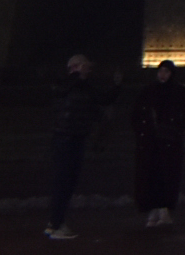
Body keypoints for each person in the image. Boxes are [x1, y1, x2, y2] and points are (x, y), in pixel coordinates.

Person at [44, 53, 111, 241]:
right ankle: (56, 224)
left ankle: (55, 222)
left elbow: (98, 102)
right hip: (67, 139)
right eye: (86, 67)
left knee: (66, 182)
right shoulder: (68, 85)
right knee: (63, 182)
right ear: (77, 67)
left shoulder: (76, 87)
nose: (89, 70)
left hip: (72, 138)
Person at [133, 58, 185, 226]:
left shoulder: (177, 92)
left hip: (168, 141)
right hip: (153, 141)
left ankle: (163, 209)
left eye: (166, 72)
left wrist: (175, 128)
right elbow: (137, 113)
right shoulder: (149, 91)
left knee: (165, 175)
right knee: (151, 175)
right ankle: (154, 210)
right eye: (161, 71)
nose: (162, 75)